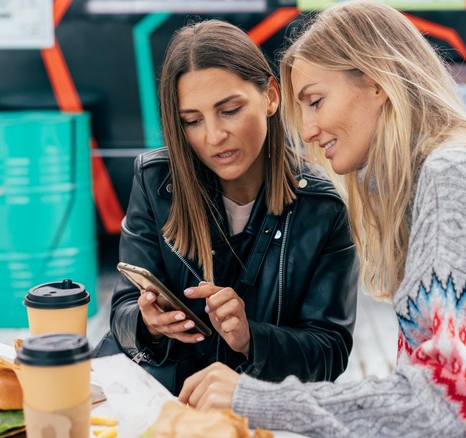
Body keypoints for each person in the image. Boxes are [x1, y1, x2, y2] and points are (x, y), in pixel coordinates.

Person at [178, 2, 466, 436]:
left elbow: (446, 398)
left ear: (377, 81)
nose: (309, 130)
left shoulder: (462, 174)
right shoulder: (435, 179)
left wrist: (254, 399)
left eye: (315, 101)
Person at [98, 20, 358, 395]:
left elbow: (330, 353)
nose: (214, 136)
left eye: (230, 110)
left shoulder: (322, 206)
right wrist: (147, 323)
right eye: (192, 120)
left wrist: (253, 338)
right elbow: (122, 308)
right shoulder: (156, 181)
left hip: (253, 413)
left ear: (270, 96)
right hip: (152, 401)